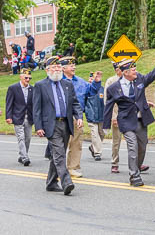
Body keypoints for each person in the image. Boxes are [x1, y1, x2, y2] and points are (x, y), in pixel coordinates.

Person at [103, 53, 155, 186]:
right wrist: (106, 125)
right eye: (133, 69)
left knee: (142, 147)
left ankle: (136, 167)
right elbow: (108, 106)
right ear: (125, 72)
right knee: (132, 147)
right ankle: (134, 175)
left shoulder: (140, 79)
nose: (136, 71)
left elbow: (152, 75)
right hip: (126, 121)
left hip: (141, 120)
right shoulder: (114, 88)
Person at [33, 56, 82, 195]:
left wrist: (78, 117)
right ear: (47, 70)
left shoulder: (68, 85)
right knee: (59, 154)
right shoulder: (40, 85)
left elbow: (75, 103)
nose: (57, 70)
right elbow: (36, 109)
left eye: (59, 67)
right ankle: (66, 182)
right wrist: (39, 126)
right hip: (51, 125)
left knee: (58, 153)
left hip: (66, 123)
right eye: (53, 68)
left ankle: (51, 182)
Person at [60, 56, 102, 178]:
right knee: (61, 145)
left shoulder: (80, 81)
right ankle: (58, 168)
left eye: (74, 65)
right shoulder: (57, 81)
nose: (74, 67)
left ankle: (73, 168)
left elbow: (91, 92)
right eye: (70, 65)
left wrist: (96, 81)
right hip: (61, 117)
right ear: (63, 68)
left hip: (76, 117)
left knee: (76, 143)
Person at [6, 68, 34, 166]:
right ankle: (25, 158)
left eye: (29, 78)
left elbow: (34, 105)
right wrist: (8, 116)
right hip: (17, 116)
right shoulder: (13, 88)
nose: (27, 80)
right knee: (21, 137)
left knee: (28, 138)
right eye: (26, 78)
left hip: (29, 117)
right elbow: (9, 103)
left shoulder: (32, 89)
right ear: (20, 77)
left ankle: (22, 155)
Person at [105, 61, 124, 173]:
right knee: (116, 141)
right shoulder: (111, 81)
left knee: (135, 139)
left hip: (129, 115)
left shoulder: (130, 80)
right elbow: (107, 102)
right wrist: (113, 116)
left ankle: (137, 162)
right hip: (117, 114)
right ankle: (114, 162)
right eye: (119, 69)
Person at [84, 71, 105, 161]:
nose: (92, 80)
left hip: (101, 115)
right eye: (91, 79)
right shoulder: (86, 89)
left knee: (102, 134)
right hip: (91, 116)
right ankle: (97, 153)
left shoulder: (102, 89)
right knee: (95, 134)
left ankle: (93, 146)